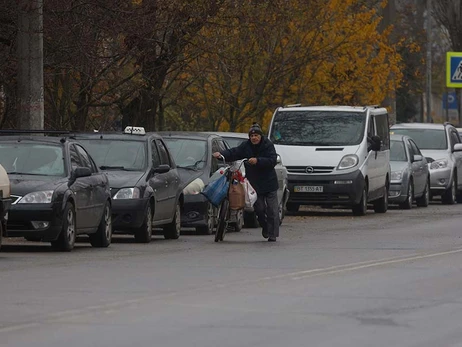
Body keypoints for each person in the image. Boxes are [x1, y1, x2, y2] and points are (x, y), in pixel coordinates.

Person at [213, 123, 280, 242]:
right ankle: (265, 227)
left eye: (256, 135)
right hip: (254, 184)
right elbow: (234, 152)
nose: (254, 138)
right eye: (252, 135)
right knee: (259, 208)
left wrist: (258, 161)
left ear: (260, 136)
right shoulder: (246, 146)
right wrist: (221, 155)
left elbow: (272, 160)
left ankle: (272, 234)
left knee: (272, 210)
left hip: (269, 183)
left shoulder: (267, 145)